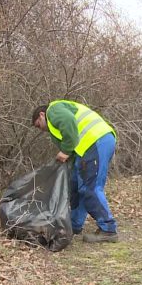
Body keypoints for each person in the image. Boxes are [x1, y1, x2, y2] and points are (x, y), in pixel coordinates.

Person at [31, 100, 118, 243]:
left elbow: (69, 122)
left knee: (91, 188)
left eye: (38, 125)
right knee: (75, 185)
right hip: (88, 147)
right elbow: (71, 147)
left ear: (42, 115)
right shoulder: (55, 124)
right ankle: (74, 225)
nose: (40, 129)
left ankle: (108, 229)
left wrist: (65, 151)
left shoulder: (53, 111)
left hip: (96, 141)